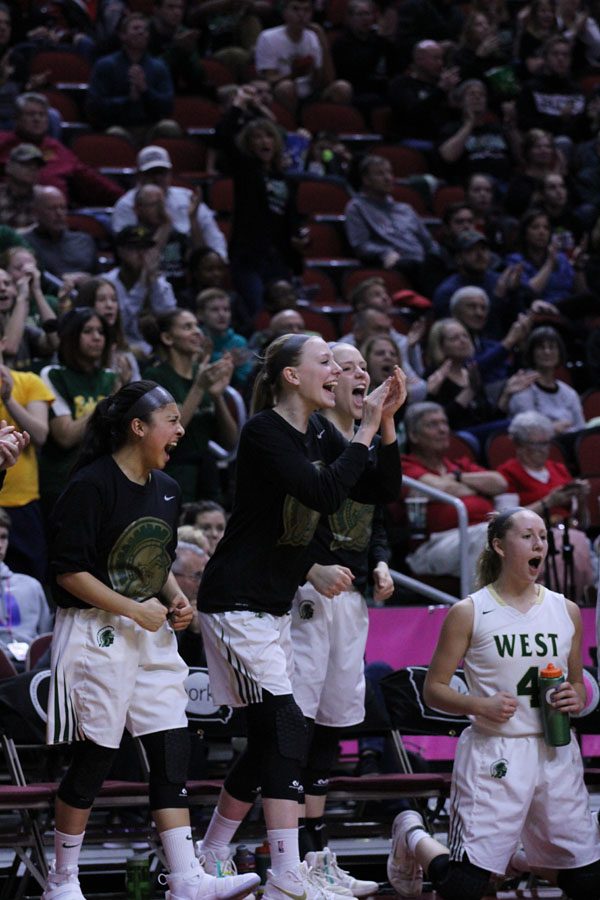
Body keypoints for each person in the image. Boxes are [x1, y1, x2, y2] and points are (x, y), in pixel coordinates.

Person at [194, 334, 405, 900]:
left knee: (271, 739)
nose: (337, 370)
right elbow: (326, 493)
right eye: (327, 362)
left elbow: (379, 489)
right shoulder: (265, 431)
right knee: (287, 728)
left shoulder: (318, 431)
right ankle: (286, 871)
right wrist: (362, 431)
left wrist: (383, 424)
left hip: (270, 606)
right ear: (293, 376)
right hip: (235, 600)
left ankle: (212, 851)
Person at [43, 379, 260, 900]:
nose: (182, 429)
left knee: (171, 747)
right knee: (94, 758)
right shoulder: (92, 484)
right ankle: (62, 879)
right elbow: (69, 572)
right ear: (138, 428)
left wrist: (173, 596)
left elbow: (153, 558)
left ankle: (186, 876)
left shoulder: (167, 489)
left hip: (148, 628)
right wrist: (133, 608)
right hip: (95, 631)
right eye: (172, 420)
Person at [386, 507, 600, 900]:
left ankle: (516, 860)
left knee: (588, 883)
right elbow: (433, 689)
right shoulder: (469, 611)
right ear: (499, 546)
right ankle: (411, 834)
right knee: (464, 888)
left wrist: (578, 697)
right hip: (495, 754)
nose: (539, 543)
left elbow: (578, 683)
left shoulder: (565, 610)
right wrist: (479, 705)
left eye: (543, 536)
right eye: (527, 536)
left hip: (554, 752)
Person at [290, 341, 398, 896]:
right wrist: (310, 567)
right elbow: (290, 520)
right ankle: (295, 855)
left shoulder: (364, 444)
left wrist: (379, 561)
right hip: (305, 595)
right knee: (299, 726)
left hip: (350, 598)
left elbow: (380, 510)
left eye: (364, 368)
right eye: (347, 367)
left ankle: (319, 854)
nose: (360, 376)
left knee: (333, 725)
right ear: (325, 379)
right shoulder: (307, 439)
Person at [397, 401, 508, 591]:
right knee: (487, 534)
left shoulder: (459, 466)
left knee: (519, 534)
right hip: (433, 546)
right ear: (413, 435)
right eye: (432, 424)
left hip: (473, 536)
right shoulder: (405, 465)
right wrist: (476, 488)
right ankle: (478, 613)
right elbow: (442, 488)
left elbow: (500, 483)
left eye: (444, 423)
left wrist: (458, 477)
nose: (442, 430)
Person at [497, 410, 593, 602]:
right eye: (536, 444)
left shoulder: (558, 468)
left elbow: (582, 523)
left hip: (570, 534)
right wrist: (548, 502)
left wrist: (581, 500)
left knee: (580, 541)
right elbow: (505, 520)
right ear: (519, 445)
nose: (543, 449)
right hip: (534, 539)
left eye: (546, 443)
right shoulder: (506, 473)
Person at [143, 309, 237, 502]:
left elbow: (230, 441)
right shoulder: (155, 377)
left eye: (196, 325)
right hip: (172, 473)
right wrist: (199, 387)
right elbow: (168, 433)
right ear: (168, 338)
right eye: (187, 327)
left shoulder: (203, 373)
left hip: (207, 475)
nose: (197, 332)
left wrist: (217, 396)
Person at [39, 308, 118, 520]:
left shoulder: (110, 377)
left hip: (104, 479)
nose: (97, 338)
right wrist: (108, 400)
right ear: (71, 336)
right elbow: (65, 436)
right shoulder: (54, 375)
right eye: (88, 331)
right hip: (63, 481)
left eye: (101, 332)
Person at [0, 315, 54, 581]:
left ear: (3, 343)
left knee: (29, 580)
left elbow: (41, 434)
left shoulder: (29, 381)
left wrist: (9, 400)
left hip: (23, 502)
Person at [0, 92, 123, 206]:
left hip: (55, 213)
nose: (37, 119)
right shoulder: (3, 142)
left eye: (42, 114)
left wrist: (124, 198)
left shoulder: (57, 149)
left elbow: (90, 179)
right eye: (30, 114)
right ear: (17, 119)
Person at [111, 145, 227, 262]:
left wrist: (193, 220)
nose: (157, 178)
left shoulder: (187, 198)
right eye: (151, 173)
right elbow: (128, 255)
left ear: (170, 173)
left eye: (162, 172)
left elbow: (215, 243)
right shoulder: (126, 205)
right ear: (140, 175)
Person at [344, 155, 441, 293]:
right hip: (398, 263)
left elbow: (428, 243)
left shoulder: (405, 209)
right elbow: (360, 245)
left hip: (423, 263)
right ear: (366, 180)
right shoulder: (356, 207)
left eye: (389, 172)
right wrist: (385, 252)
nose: (388, 178)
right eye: (380, 173)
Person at [86, 12, 176, 145]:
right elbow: (94, 106)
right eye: (135, 28)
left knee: (169, 127)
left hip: (150, 126)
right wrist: (128, 100)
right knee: (114, 134)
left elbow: (168, 105)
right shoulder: (105, 65)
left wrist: (145, 91)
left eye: (145, 30)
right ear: (122, 35)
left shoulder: (159, 66)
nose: (141, 32)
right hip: (120, 126)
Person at [254, 0, 352, 113]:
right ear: (284, 13)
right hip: (281, 92)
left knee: (343, 87)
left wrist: (323, 43)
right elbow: (268, 79)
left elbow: (327, 80)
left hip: (311, 91)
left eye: (306, 10)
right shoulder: (268, 37)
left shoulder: (313, 37)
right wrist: (294, 74)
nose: (301, 15)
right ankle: (293, 124)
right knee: (286, 87)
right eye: (295, 9)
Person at [104, 224, 177, 360]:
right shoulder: (108, 283)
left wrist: (153, 284)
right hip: (119, 348)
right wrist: (141, 286)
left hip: (157, 350)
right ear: (121, 251)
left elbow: (169, 319)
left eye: (146, 248)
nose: (142, 254)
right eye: (135, 248)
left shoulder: (160, 283)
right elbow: (120, 324)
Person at [506, 325, 585, 436]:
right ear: (532, 353)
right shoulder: (522, 387)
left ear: (559, 353)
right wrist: (553, 428)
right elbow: (526, 430)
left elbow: (581, 430)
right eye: (541, 347)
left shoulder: (570, 393)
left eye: (552, 347)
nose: (547, 351)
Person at [0, 506, 52, 671]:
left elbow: (46, 636)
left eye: (3, 537)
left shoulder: (30, 585)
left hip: (31, 667)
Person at [24, 186, 97, 280]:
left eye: (62, 208)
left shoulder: (84, 240)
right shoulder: (25, 243)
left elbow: (99, 276)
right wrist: (62, 279)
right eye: (52, 208)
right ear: (36, 212)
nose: (59, 213)